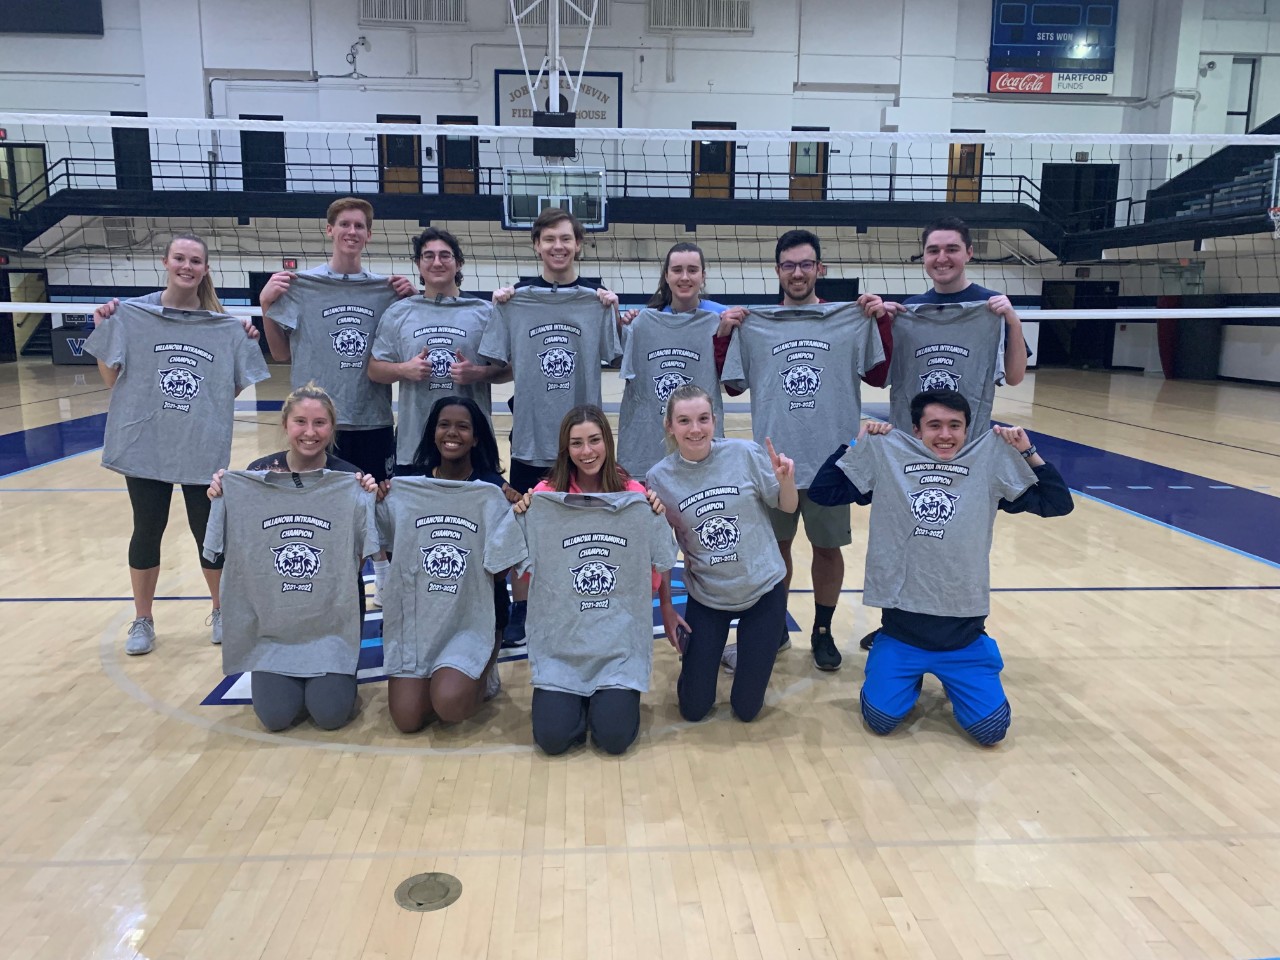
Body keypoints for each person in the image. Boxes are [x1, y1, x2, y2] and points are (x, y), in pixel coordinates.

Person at [808, 389, 1073, 745]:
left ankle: (973, 664)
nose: (945, 435)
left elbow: (1057, 503)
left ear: (967, 429)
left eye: (954, 425)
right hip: (903, 632)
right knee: (881, 721)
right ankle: (899, 668)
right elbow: (824, 492)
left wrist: (1027, 451)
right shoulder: (891, 460)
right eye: (934, 425)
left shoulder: (987, 466)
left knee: (991, 732)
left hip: (963, 635)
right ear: (916, 430)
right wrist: (857, 443)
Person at [84, 233, 270, 656]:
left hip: (199, 445)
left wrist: (243, 340)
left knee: (209, 531)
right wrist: (104, 330)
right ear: (166, 262)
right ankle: (143, 620)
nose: (187, 266)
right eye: (180, 259)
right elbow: (112, 380)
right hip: (146, 443)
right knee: (147, 529)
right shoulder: (133, 314)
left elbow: (231, 388)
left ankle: (222, 611)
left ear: (206, 269)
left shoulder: (224, 323)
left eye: (196, 261)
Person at [853, 215, 1030, 651]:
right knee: (903, 537)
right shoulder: (909, 311)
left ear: (969, 253)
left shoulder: (991, 308)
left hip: (967, 455)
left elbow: (1016, 375)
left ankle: (965, 624)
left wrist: (1012, 321)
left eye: (951, 249)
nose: (942, 257)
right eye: (933, 250)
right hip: (909, 451)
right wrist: (881, 321)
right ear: (924, 258)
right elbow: (878, 376)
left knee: (959, 543)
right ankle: (896, 622)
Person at [720, 229, 889, 674]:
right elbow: (733, 384)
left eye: (805, 264)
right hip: (774, 465)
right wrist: (727, 333)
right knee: (775, 550)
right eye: (789, 265)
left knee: (827, 550)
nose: (797, 272)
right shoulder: (756, 325)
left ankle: (822, 630)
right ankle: (774, 626)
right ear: (777, 271)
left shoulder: (848, 319)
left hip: (833, 462)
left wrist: (879, 320)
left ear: (820, 269)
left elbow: (878, 375)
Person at [258, 197, 416, 605]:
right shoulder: (302, 287)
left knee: (378, 502)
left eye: (359, 226)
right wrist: (266, 307)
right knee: (324, 508)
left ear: (369, 234)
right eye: (344, 224)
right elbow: (280, 354)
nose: (351, 232)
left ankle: (383, 577)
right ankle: (325, 581)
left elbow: (403, 342)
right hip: (317, 423)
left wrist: (411, 299)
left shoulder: (387, 291)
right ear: (329, 230)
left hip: (372, 415)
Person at [483, 208, 621, 648]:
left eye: (566, 239)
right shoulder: (513, 301)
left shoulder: (596, 301)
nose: (558, 246)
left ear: (579, 244)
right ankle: (522, 612)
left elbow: (615, 357)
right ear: (536, 246)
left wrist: (613, 312)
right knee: (525, 530)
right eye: (549, 239)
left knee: (586, 531)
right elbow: (496, 363)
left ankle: (583, 597)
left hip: (584, 445)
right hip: (531, 438)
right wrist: (499, 306)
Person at [206, 383, 379, 732]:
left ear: (332, 428)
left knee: (330, 716)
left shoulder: (349, 479)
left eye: (320, 423)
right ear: (285, 425)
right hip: (273, 623)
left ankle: (336, 675)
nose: (310, 432)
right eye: (300, 421)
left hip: (331, 622)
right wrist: (221, 497)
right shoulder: (252, 478)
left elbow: (359, 557)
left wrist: (368, 501)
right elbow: (217, 549)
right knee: (275, 718)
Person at [513, 405, 675, 755]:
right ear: (565, 449)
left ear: (607, 442)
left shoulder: (634, 495)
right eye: (576, 444)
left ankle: (604, 698)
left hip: (617, 646)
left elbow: (662, 560)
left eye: (594, 441)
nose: (587, 452)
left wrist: (653, 514)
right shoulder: (543, 497)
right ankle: (574, 699)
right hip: (562, 645)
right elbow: (512, 564)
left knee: (614, 739)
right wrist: (521, 517)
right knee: (552, 740)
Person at [645, 384, 799, 724]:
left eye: (703, 419)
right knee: (694, 708)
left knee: (746, 710)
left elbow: (787, 507)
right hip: (709, 596)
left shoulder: (745, 453)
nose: (695, 429)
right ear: (670, 426)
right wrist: (668, 607)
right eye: (684, 421)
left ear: (715, 421)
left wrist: (787, 480)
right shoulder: (659, 478)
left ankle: (742, 652)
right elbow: (660, 551)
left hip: (763, 591)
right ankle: (713, 655)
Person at [380, 395, 523, 733]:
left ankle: (482, 669)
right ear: (433, 432)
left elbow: (503, 567)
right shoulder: (407, 487)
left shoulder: (492, 491)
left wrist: (517, 512)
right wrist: (377, 494)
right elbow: (382, 541)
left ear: (476, 438)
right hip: (421, 620)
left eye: (463, 426)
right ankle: (442, 675)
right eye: (444, 425)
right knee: (407, 719)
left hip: (472, 615)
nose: (452, 433)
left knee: (449, 705)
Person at [368, 227, 511, 472]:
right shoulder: (399, 312)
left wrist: (477, 373)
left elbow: (510, 369)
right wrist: (404, 369)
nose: (437, 262)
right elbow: (374, 370)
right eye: (428, 256)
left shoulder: (485, 312)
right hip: (414, 448)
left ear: (458, 263)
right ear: (418, 264)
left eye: (445, 255)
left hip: (473, 448)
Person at [615, 242, 741, 479]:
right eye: (677, 270)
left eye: (692, 270)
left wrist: (725, 336)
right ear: (666, 275)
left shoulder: (719, 322)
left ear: (703, 276)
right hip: (646, 452)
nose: (685, 277)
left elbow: (734, 385)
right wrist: (624, 325)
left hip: (699, 447)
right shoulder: (641, 323)